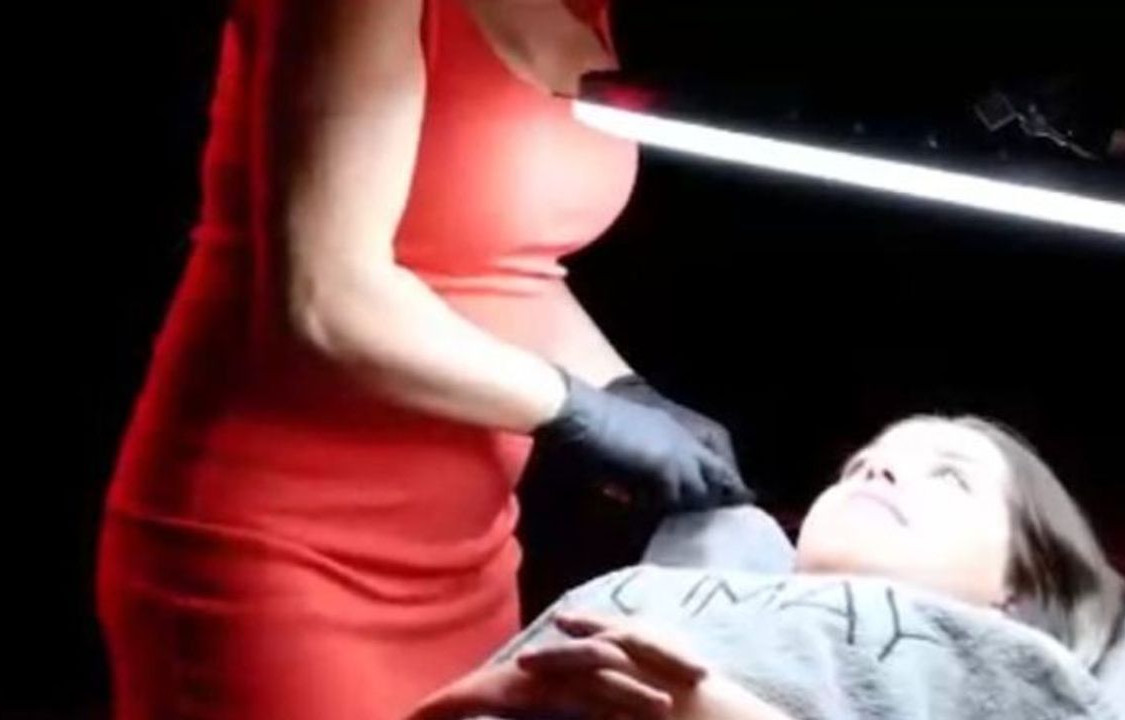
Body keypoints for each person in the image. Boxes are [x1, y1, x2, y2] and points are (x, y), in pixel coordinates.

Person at [96, 1, 749, 718]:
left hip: (470, 552)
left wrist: (623, 389)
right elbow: (327, 301)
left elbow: (497, 266)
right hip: (278, 547)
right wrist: (577, 410)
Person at [410, 415, 1125, 720]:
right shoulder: (640, 591)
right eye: (862, 464)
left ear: (1021, 585)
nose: (877, 470)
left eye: (949, 477)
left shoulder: (1016, 668)